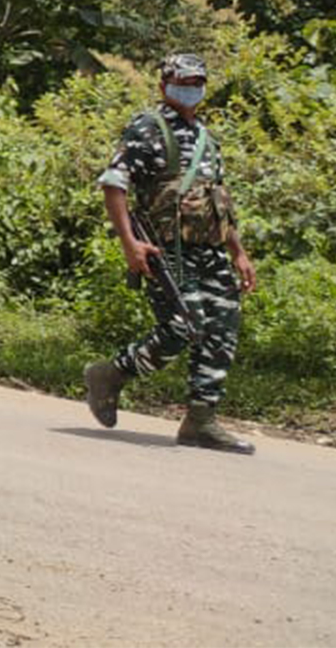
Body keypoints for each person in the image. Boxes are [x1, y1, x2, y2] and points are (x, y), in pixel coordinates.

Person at [84, 52, 258, 454]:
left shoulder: (206, 138)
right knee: (183, 327)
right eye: (183, 82)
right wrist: (129, 243)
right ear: (164, 85)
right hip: (167, 251)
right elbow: (114, 184)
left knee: (222, 329)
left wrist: (238, 253)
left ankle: (201, 421)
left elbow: (217, 203)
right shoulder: (148, 128)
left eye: (197, 83)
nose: (191, 89)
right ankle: (111, 374)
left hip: (210, 251)